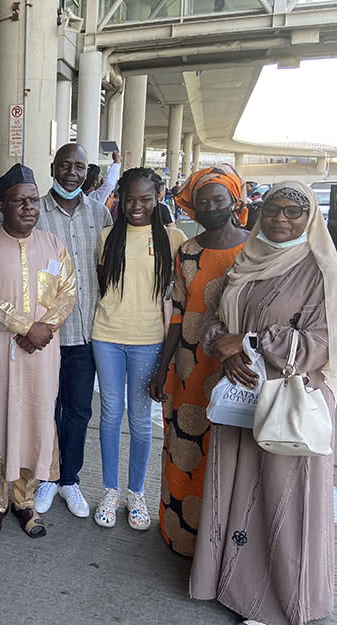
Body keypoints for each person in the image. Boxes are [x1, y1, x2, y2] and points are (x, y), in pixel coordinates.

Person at [190, 182, 336, 625]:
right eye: (273, 208)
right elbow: (218, 319)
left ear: (310, 218)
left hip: (288, 399)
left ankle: (278, 599)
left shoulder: (321, 270)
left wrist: (252, 343)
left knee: (280, 497)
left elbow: (321, 343)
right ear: (258, 211)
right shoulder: (247, 259)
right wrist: (226, 347)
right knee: (237, 490)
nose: (281, 219)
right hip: (242, 394)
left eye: (294, 212)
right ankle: (230, 582)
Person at [0, 164, 76, 539]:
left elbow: (68, 292)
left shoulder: (54, 246)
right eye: (19, 201)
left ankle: (25, 501)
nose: (29, 207)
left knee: (34, 419)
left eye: (33, 200)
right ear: (2, 204)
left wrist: (44, 328)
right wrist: (23, 326)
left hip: (43, 352)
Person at [149, 165, 248, 557]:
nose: (210, 207)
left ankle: (222, 546)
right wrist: (163, 367)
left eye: (218, 200)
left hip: (233, 368)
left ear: (234, 202)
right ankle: (181, 534)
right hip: (188, 368)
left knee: (226, 452)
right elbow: (177, 312)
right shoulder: (186, 251)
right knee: (183, 446)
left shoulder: (253, 249)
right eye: (203, 201)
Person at [92, 167, 186, 531]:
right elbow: (103, 283)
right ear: (120, 197)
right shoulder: (106, 237)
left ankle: (136, 493)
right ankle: (110, 491)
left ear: (157, 197)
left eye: (145, 199)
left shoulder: (173, 238)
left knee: (141, 421)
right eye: (130, 199)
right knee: (111, 416)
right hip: (107, 335)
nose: (136, 206)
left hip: (149, 340)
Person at [33, 143, 113, 517]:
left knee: (79, 410)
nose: (71, 172)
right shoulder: (35, 214)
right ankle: (46, 478)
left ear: (87, 172)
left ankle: (69, 479)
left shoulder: (101, 214)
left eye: (78, 167)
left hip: (86, 333)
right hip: (45, 333)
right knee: (45, 407)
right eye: (64, 165)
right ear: (53, 168)